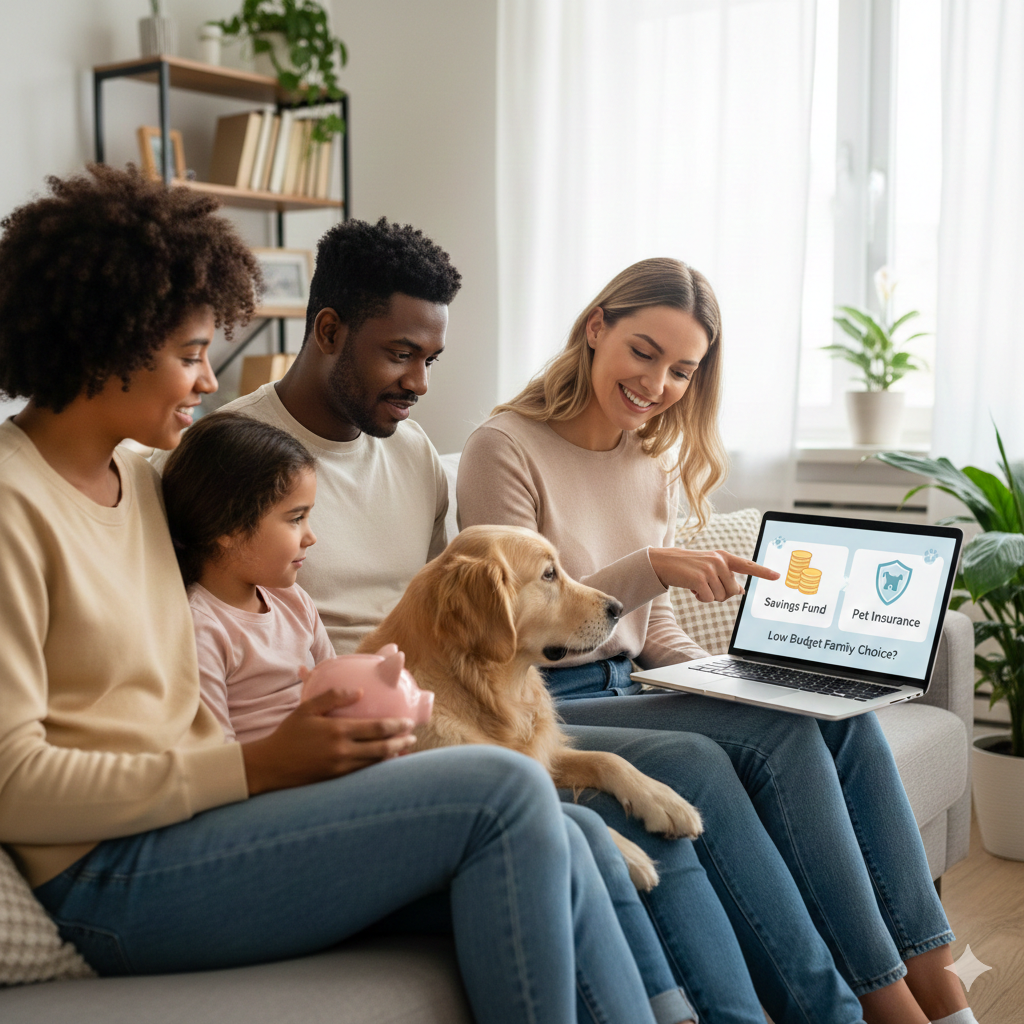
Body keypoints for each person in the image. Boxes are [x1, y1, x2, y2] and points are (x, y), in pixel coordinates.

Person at [0, 166, 661, 1024]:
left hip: (215, 817)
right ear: (106, 345)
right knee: (506, 789)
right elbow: (14, 783)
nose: (209, 383)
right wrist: (254, 766)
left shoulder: (149, 476)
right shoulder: (15, 506)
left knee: (571, 838)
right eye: (192, 354)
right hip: (112, 874)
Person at [217, 219, 875, 1024]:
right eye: (402, 355)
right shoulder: (236, 455)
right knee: (688, 771)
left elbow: (471, 610)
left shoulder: (414, 450)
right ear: (327, 331)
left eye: (432, 360)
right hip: (380, 725)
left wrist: (716, 669)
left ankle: (876, 999)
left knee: (822, 723)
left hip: (477, 696)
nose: (421, 382)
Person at [457, 256, 979, 1024]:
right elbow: (519, 632)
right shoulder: (504, 446)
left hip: (627, 688)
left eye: (682, 370)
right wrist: (650, 566)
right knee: (773, 738)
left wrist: (727, 679)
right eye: (644, 351)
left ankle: (944, 992)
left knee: (839, 719)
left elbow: (651, 631)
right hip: (541, 698)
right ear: (597, 327)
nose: (658, 384)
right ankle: (882, 1004)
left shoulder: (651, 461)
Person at [161, 409, 698, 1024]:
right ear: (229, 530)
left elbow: (329, 685)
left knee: (581, 837)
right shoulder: (198, 625)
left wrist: (381, 698)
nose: (312, 537)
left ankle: (667, 1010)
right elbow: (215, 760)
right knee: (555, 826)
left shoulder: (293, 602)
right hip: (286, 805)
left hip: (343, 774)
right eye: (296, 519)